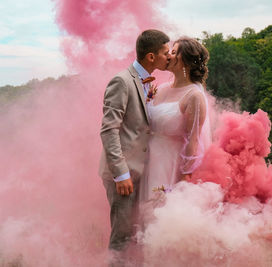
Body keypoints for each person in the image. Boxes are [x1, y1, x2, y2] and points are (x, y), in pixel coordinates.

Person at [98, 29, 170, 265]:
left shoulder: (147, 81)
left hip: (143, 172)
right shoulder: (122, 80)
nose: (168, 57)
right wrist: (121, 174)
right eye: (165, 53)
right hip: (125, 175)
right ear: (151, 57)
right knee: (122, 237)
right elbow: (109, 130)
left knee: (138, 234)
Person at [139, 37, 212, 202]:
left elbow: (194, 139)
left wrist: (185, 176)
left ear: (185, 61)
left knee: (160, 210)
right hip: (149, 158)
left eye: (173, 52)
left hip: (170, 162)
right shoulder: (162, 88)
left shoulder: (194, 96)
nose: (168, 56)